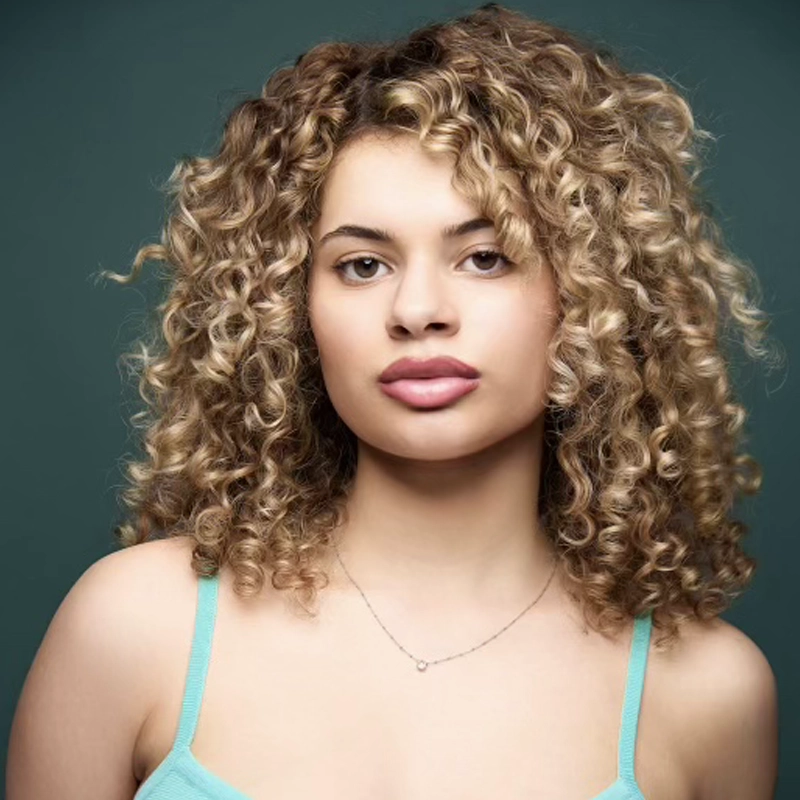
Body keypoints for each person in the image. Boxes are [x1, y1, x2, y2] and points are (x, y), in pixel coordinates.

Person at [7, 4, 780, 799]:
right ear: (290, 307)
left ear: (590, 293)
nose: (418, 309)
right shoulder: (133, 627)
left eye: (485, 257)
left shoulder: (706, 695)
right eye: (362, 265)